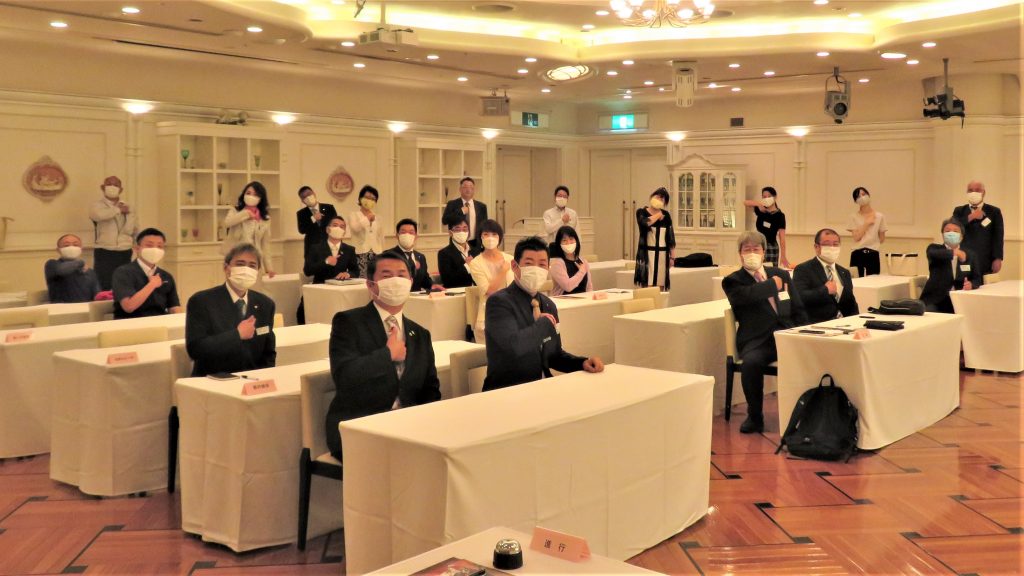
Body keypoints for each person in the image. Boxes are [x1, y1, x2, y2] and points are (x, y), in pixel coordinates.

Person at [324, 251, 441, 460]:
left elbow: (430, 390)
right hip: (361, 428)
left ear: (410, 283)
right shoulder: (349, 322)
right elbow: (344, 377)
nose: (395, 281)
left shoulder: (420, 334)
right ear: (371, 285)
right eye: (387, 276)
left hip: (410, 429)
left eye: (401, 275)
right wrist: (387, 354)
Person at [483, 236, 604, 391]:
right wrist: (543, 325)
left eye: (542, 265)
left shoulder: (548, 305)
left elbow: (554, 355)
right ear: (514, 266)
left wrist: (581, 363)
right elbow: (513, 348)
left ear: (548, 269)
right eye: (529, 263)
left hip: (543, 387)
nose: (536, 269)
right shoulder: (499, 303)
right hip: (508, 391)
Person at [722, 231, 807, 434]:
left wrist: (806, 330)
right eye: (747, 249)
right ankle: (754, 416)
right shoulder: (733, 280)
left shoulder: (781, 274)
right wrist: (772, 285)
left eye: (756, 249)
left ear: (763, 252)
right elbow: (747, 296)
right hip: (757, 340)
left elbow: (797, 307)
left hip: (786, 335)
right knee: (751, 363)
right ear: (740, 254)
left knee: (814, 353)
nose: (752, 253)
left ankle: (809, 412)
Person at [185, 243, 276, 377]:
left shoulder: (265, 304)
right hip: (213, 379)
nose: (246, 270)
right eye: (240, 264)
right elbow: (195, 349)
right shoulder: (202, 301)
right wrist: (237, 335)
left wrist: (263, 377)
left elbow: (268, 353)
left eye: (252, 266)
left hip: (252, 380)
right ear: (226, 268)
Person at [111, 228, 182, 319]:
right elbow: (129, 307)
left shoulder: (166, 276)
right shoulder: (123, 272)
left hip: (160, 323)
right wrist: (152, 285)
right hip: (130, 323)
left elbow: (174, 307)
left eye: (159, 246)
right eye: (149, 245)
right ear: (137, 248)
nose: (155, 250)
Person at [793, 228, 859, 324]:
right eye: (827, 244)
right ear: (816, 247)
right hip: (818, 325)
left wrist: (857, 323)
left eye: (835, 244)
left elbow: (851, 303)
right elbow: (799, 298)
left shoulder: (844, 272)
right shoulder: (803, 269)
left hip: (845, 324)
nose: (832, 248)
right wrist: (825, 290)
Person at [920, 219, 983, 313]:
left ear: (961, 236)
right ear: (942, 234)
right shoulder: (934, 249)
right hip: (935, 300)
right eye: (947, 231)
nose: (951, 233)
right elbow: (934, 253)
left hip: (960, 299)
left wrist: (971, 284)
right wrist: (955, 252)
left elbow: (977, 279)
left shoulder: (970, 254)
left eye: (955, 231)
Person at [468, 219, 514, 343]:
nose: (490, 238)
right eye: (486, 234)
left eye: (494, 234)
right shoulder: (476, 263)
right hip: (488, 316)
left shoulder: (510, 259)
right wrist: (502, 271)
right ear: (481, 238)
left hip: (511, 314)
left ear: (499, 238)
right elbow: (489, 291)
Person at [89, 176, 139, 290]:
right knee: (104, 283)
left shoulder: (128, 206)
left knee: (123, 282)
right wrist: (118, 210)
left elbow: (135, 227)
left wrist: (137, 243)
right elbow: (98, 216)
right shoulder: (97, 206)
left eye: (116, 185)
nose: (112, 187)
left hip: (125, 250)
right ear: (103, 187)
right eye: (109, 184)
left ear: (121, 189)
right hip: (105, 250)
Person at [222, 181, 275, 278]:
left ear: (260, 198)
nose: (251, 196)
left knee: (254, 284)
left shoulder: (265, 218)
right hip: (236, 256)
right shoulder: (235, 211)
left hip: (255, 258)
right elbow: (227, 223)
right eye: (248, 193)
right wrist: (246, 213)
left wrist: (269, 268)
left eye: (255, 194)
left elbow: (265, 245)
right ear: (243, 195)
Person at [951, 180, 1004, 276]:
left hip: (985, 260)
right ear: (967, 192)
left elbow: (998, 237)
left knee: (985, 285)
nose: (973, 193)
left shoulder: (994, 211)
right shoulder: (959, 211)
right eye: (970, 190)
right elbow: (953, 228)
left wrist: (998, 258)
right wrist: (971, 217)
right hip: (964, 258)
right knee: (964, 284)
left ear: (984, 193)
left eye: (977, 190)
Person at [633, 187, 676, 289]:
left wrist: (672, 257)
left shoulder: (666, 215)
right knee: (648, 284)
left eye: (663, 198)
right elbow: (645, 223)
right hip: (647, 254)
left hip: (662, 254)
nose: (660, 199)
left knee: (660, 285)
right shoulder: (641, 212)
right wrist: (658, 215)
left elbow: (670, 236)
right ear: (652, 196)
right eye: (658, 196)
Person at [44, 233, 101, 303]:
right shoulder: (52, 264)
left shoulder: (89, 271)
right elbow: (61, 270)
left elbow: (97, 295)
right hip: (61, 308)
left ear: (81, 249)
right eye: (66, 245)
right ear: (58, 250)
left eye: (76, 245)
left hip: (86, 308)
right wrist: (81, 263)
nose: (71, 247)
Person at [303, 216, 359, 284]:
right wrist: (326, 262)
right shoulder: (315, 248)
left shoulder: (349, 250)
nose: (338, 228)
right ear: (327, 229)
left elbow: (356, 271)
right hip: (320, 286)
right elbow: (307, 271)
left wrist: (347, 274)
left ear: (344, 232)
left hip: (340, 286)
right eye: (335, 225)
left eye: (342, 227)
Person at [743, 186, 789, 268]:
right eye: (764, 197)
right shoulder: (761, 210)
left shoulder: (780, 215)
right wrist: (758, 204)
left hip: (771, 246)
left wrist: (783, 256)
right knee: (757, 269)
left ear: (775, 197)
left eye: (769, 196)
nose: (766, 198)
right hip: (758, 245)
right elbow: (745, 202)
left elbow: (782, 238)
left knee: (770, 270)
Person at [846, 186, 887, 277]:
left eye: (863, 194)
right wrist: (866, 224)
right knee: (856, 281)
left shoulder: (880, 216)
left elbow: (882, 238)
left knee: (873, 280)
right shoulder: (853, 216)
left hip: (873, 253)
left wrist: (871, 241)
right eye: (858, 196)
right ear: (855, 201)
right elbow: (856, 237)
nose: (862, 197)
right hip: (857, 252)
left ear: (868, 195)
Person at [442, 177, 488, 250]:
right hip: (457, 243)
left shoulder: (481, 206)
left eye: (471, 187)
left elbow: (484, 226)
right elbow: (444, 221)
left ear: (474, 190)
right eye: (465, 187)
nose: (468, 189)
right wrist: (461, 211)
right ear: (460, 189)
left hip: (476, 243)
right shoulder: (452, 204)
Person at [349, 185, 384, 278]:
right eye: (367, 197)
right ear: (360, 198)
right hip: (360, 252)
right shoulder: (354, 215)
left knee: (375, 278)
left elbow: (380, 237)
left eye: (373, 199)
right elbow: (355, 228)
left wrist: (381, 252)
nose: (370, 201)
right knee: (362, 279)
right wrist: (367, 218)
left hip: (376, 252)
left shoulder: (378, 217)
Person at [436, 214, 480, 288]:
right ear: (450, 233)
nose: (462, 232)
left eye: (465, 229)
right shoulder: (444, 253)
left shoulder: (475, 251)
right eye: (457, 229)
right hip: (457, 292)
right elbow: (447, 280)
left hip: (477, 290)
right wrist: (467, 266)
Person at [391, 219, 435, 292]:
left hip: (417, 297)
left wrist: (433, 286)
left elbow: (425, 281)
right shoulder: (389, 256)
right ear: (397, 235)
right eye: (403, 232)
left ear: (416, 236)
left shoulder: (420, 257)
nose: (407, 235)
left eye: (411, 232)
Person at [296, 185, 338, 258]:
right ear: (302, 201)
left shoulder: (329, 208)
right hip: (312, 249)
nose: (308, 198)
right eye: (304, 197)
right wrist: (313, 219)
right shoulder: (301, 213)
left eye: (309, 194)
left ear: (314, 193)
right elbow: (301, 230)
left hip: (330, 247)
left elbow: (336, 225)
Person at [549, 225, 592, 296]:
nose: (568, 242)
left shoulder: (583, 261)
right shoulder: (557, 263)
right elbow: (568, 286)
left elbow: (589, 287)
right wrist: (582, 271)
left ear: (576, 241)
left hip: (583, 300)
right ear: (559, 244)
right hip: (563, 301)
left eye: (571, 239)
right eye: (564, 240)